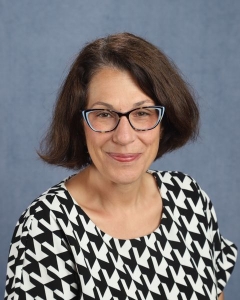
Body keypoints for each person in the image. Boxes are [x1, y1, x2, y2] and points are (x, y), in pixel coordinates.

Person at [5, 32, 237, 300]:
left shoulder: (189, 198)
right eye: (104, 114)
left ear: (164, 120)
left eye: (142, 113)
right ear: (79, 124)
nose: (124, 136)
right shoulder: (46, 227)